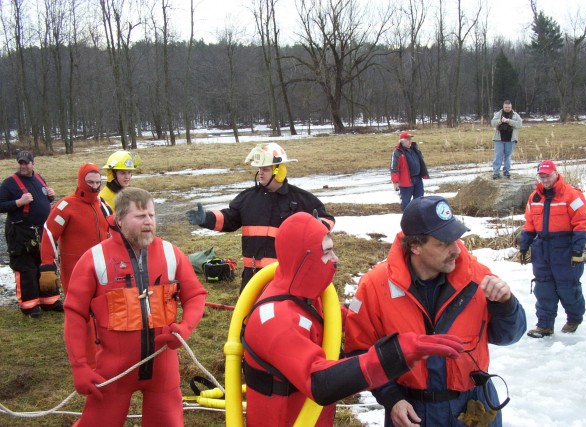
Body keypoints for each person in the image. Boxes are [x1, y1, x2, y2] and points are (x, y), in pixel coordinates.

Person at [242, 211, 465, 426]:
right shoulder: (276, 321)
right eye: (327, 252)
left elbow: (335, 318)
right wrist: (394, 355)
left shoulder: (306, 298)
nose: (336, 259)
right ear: (304, 258)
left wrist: (380, 310)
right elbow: (321, 383)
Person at [344, 195, 526, 427]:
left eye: (456, 239)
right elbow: (359, 352)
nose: (456, 250)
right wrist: (392, 398)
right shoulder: (375, 287)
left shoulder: (477, 277)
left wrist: (505, 304)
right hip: (413, 413)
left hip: (473, 408)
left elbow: (509, 336)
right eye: (443, 243)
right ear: (415, 246)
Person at [63, 187, 207, 426]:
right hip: (113, 371)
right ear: (119, 219)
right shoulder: (94, 259)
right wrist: (80, 366)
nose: (148, 221)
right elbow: (75, 313)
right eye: (140, 216)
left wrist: (185, 328)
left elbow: (195, 295)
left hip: (163, 369)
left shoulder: (171, 253)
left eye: (151, 215)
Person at [186, 142, 335, 291]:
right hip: (251, 277)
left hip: (284, 277)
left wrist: (318, 226)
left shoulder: (301, 199)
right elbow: (229, 218)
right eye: (259, 169)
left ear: (279, 170)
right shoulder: (248, 198)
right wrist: (206, 218)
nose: (260, 173)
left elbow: (328, 219)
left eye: (265, 169)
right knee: (248, 313)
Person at [518, 160, 586, 338]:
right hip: (542, 249)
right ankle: (544, 326)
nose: (545, 179)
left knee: (568, 288)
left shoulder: (571, 195)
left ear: (556, 173)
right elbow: (529, 224)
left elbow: (582, 222)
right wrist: (524, 246)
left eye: (548, 175)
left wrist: (577, 251)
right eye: (541, 176)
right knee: (543, 289)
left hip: (564, 249)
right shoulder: (534, 197)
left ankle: (574, 319)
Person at [0, 150, 60, 318]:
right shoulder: (9, 183)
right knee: (26, 268)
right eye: (20, 163)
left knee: (45, 264)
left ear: (33, 163)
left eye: (26, 163)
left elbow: (42, 201)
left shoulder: (39, 178)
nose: (23, 166)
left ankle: (50, 301)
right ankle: (29, 306)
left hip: (40, 230)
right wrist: (19, 202)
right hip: (20, 232)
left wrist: (50, 197)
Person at [40, 163, 112, 295]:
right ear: (80, 181)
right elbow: (49, 234)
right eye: (90, 182)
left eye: (97, 182)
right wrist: (47, 266)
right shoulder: (65, 206)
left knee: (101, 304)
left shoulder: (103, 205)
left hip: (102, 265)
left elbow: (115, 233)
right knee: (76, 304)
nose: (95, 187)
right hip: (74, 267)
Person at [390, 131, 429, 211]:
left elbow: (421, 161)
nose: (410, 141)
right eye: (408, 139)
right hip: (405, 182)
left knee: (419, 201)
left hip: (418, 179)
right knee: (406, 204)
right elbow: (394, 168)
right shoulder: (397, 152)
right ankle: (407, 219)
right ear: (402, 141)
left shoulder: (415, 149)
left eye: (410, 139)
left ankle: (418, 218)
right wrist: (395, 182)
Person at [490, 100, 522, 180]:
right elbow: (493, 123)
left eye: (509, 107)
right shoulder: (498, 114)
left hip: (511, 140)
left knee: (508, 157)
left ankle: (506, 171)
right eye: (506, 107)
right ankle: (496, 172)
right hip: (499, 139)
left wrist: (509, 121)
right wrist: (500, 121)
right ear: (503, 107)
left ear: (511, 107)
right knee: (498, 156)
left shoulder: (515, 115)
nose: (507, 108)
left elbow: (520, 124)